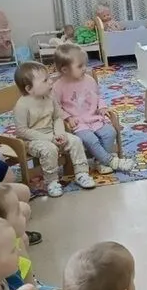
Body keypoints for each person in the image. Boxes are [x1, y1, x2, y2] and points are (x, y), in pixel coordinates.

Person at [12, 61, 96, 197]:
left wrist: (60, 133)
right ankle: (51, 181)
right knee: (49, 149)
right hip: (32, 140)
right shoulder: (22, 106)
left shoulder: (50, 98)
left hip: (52, 133)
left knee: (75, 141)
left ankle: (82, 173)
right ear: (29, 88)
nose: (51, 81)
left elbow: (57, 117)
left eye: (49, 78)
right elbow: (22, 131)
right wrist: (49, 138)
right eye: (45, 80)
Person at [51, 43, 135, 173]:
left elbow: (97, 97)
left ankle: (100, 162)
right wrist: (68, 118)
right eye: (80, 66)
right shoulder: (58, 86)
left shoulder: (89, 80)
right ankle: (111, 161)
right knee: (90, 139)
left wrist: (102, 107)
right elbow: (56, 108)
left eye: (85, 64)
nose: (85, 68)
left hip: (94, 117)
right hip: (78, 124)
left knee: (110, 132)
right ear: (65, 70)